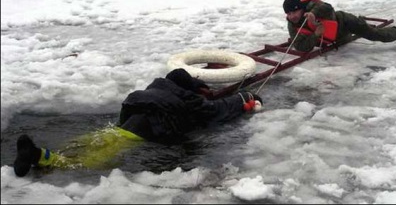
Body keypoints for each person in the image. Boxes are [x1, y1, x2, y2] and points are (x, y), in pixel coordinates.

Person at [13, 68, 263, 177]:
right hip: (143, 131)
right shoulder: (185, 97)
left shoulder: (155, 87)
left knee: (98, 138)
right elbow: (215, 110)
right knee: (89, 161)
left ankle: (41, 154)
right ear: (188, 87)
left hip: (128, 121)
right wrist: (245, 97)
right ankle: (46, 159)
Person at [282, 0, 396, 52]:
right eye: (288, 14)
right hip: (334, 37)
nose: (292, 16)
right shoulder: (292, 25)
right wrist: (316, 34)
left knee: (376, 35)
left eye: (294, 12)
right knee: (347, 38)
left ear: (301, 8)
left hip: (346, 22)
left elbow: (328, 7)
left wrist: (314, 14)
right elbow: (300, 46)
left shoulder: (312, 6)